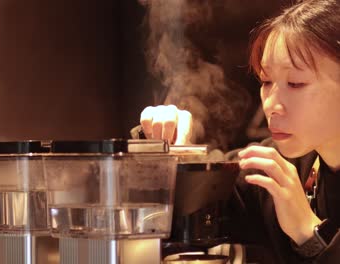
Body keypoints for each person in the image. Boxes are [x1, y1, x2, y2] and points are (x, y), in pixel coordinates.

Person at [137, 0, 340, 263]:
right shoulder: (277, 167)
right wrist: (164, 147)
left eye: (296, 83)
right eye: (266, 81)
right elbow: (189, 215)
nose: (271, 105)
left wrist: (309, 235)